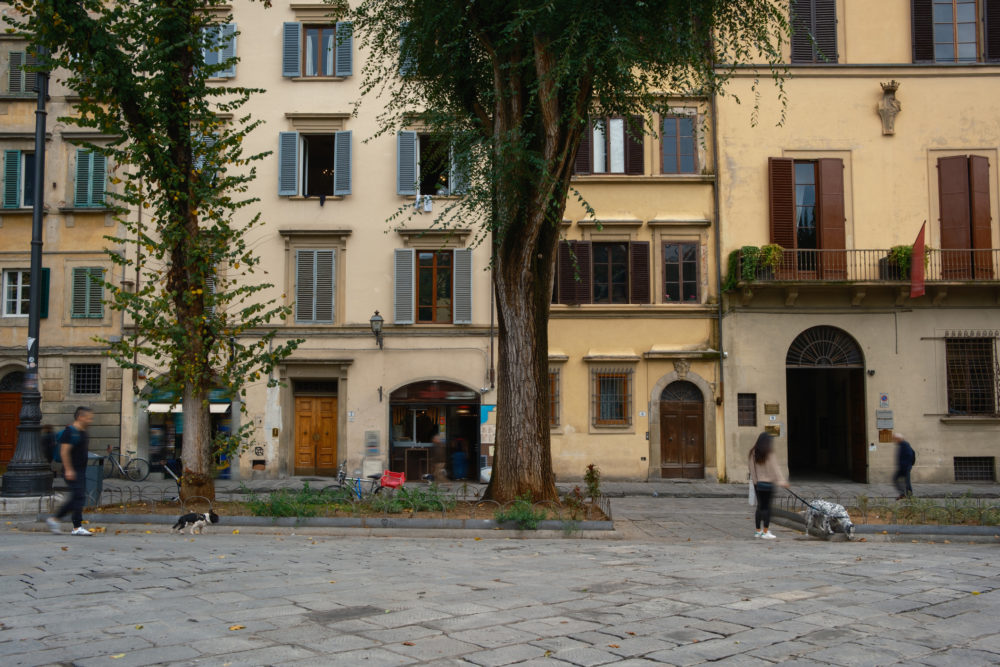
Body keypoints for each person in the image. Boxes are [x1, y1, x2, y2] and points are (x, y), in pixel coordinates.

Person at [46, 407, 95, 536]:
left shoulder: (83, 432)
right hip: (72, 470)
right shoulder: (70, 432)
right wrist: (68, 469)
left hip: (80, 469)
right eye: (88, 417)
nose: (90, 420)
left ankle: (61, 521)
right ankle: (71, 524)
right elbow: (64, 451)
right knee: (79, 496)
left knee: (77, 497)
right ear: (80, 417)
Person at [748, 432, 789, 540]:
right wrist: (781, 481)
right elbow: (775, 469)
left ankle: (758, 531)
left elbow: (752, 469)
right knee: (767, 508)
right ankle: (765, 531)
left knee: (760, 507)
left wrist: (756, 482)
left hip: (758, 484)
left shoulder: (753, 452)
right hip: (768, 484)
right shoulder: (769, 453)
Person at [892, 432, 915, 500]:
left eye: (895, 439)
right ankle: (905, 495)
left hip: (905, 467)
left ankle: (908, 496)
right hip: (903, 467)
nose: (894, 440)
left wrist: (906, 466)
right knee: (904, 481)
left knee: (906, 482)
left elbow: (910, 455)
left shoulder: (905, 444)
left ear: (899, 438)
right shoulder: (902, 444)